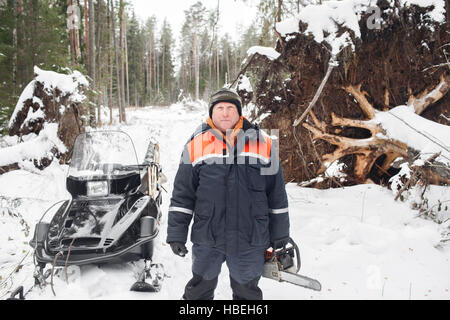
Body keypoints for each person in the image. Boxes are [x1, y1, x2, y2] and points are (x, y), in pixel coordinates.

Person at [166, 87, 290, 300]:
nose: (225, 113)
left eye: (230, 108)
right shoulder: (195, 145)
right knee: (199, 290)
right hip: (208, 235)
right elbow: (183, 195)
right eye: (220, 108)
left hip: (250, 237)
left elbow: (276, 194)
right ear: (211, 113)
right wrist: (177, 234)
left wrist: (280, 234)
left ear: (239, 112)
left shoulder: (265, 144)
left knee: (247, 293)